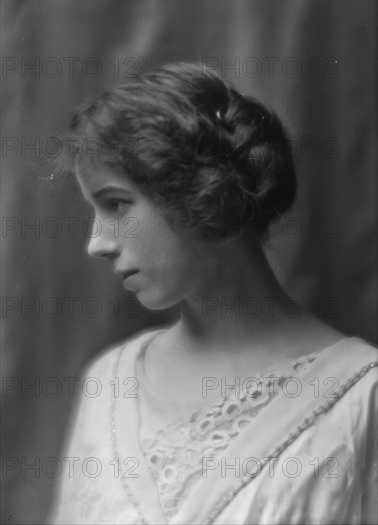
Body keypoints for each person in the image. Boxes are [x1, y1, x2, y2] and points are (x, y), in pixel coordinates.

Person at [48, 63, 377, 524]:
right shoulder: (108, 382)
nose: (96, 243)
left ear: (203, 193)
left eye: (116, 204)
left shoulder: (363, 399)